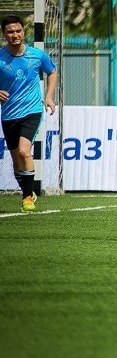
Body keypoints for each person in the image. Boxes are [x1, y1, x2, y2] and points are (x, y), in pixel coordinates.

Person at [0, 15, 57, 213]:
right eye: (10, 32)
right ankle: (28, 190)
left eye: (18, 31)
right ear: (4, 34)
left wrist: (48, 96)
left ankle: (27, 197)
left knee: (25, 151)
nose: (15, 35)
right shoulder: (0, 57)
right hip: (9, 115)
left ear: (23, 31)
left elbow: (52, 72)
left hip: (32, 111)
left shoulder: (37, 55)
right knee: (16, 161)